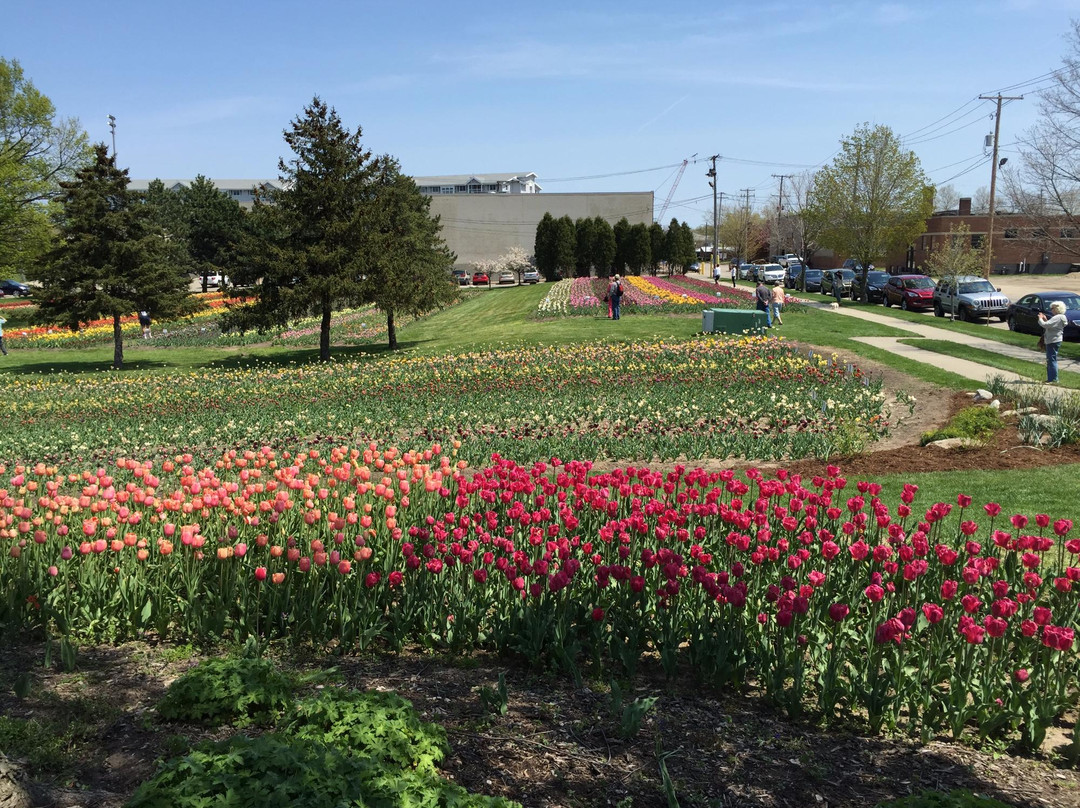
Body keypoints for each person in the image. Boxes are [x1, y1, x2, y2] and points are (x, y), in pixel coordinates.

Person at [1038, 300, 1068, 384]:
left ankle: (1053, 379)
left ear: (1057, 309)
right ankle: (1051, 378)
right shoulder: (1061, 317)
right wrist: (1045, 319)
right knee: (1051, 359)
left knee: (1051, 359)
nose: (1051, 310)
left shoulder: (1057, 317)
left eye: (1052, 308)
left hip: (1053, 340)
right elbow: (1050, 325)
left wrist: (1040, 318)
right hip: (1055, 339)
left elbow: (1045, 325)